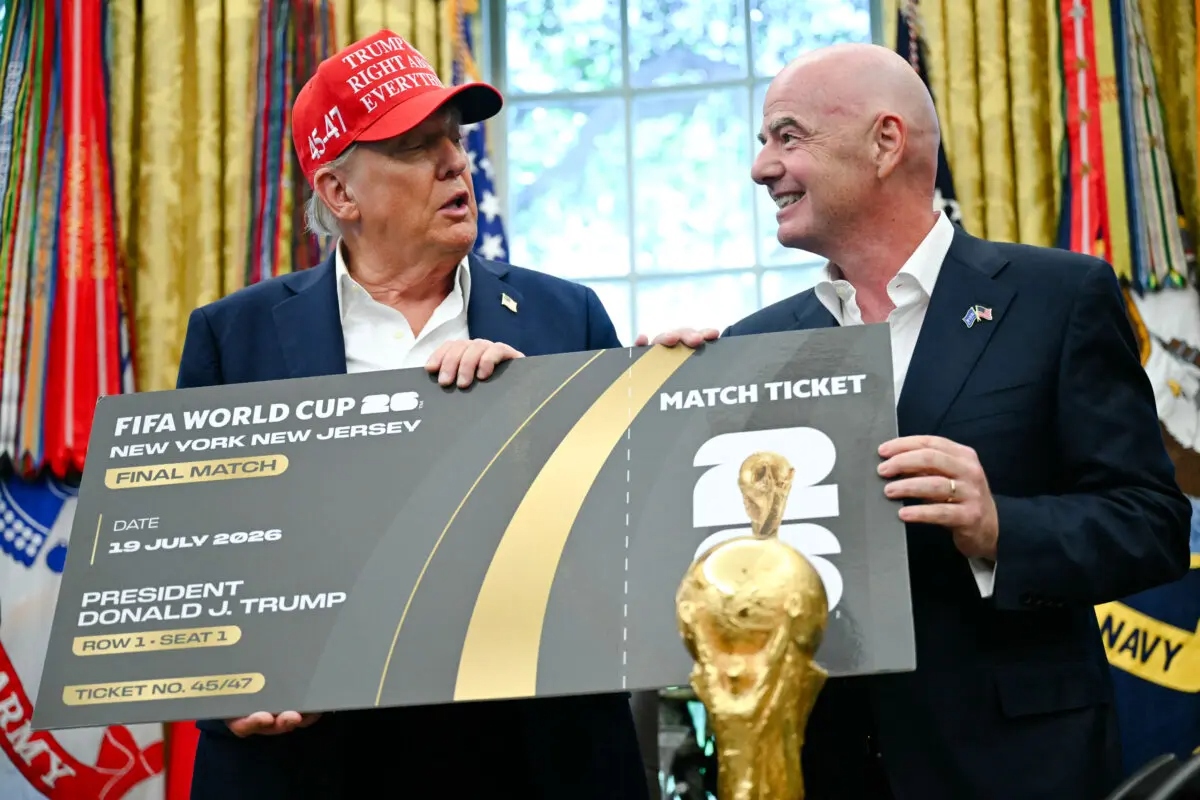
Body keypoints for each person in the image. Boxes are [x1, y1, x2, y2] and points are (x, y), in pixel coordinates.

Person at [638, 42, 1193, 800]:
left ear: (885, 143)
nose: (761, 167)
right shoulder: (756, 344)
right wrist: (669, 400)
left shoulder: (1058, 299)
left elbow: (1152, 523)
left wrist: (1000, 527)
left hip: (1015, 765)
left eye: (787, 137)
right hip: (825, 764)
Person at [175, 29, 648, 800]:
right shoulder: (235, 337)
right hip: (318, 762)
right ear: (339, 193)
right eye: (414, 146)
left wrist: (538, 421)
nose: (453, 162)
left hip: (530, 754)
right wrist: (224, 693)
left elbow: (629, 532)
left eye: (453, 139)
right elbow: (191, 555)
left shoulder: (566, 318)